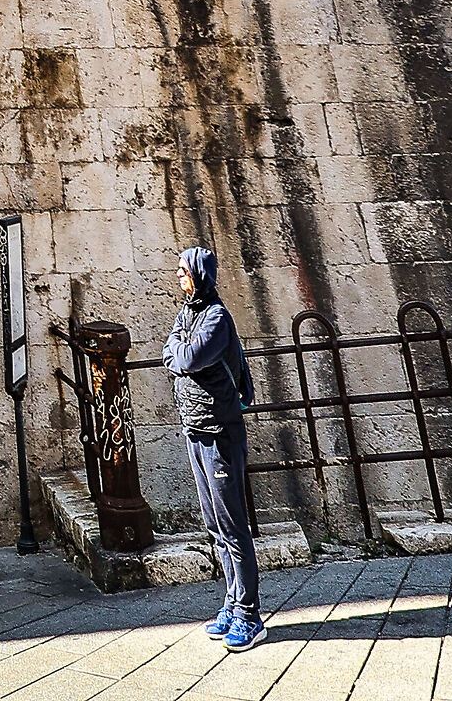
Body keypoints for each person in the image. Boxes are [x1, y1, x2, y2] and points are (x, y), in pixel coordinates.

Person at [162, 245, 263, 652]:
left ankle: (249, 615)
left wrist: (179, 354)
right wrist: (179, 353)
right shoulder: (188, 313)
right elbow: (169, 351)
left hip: (220, 431)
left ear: (199, 274)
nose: (178, 277)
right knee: (215, 527)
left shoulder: (216, 318)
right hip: (195, 429)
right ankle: (231, 603)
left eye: (183, 271)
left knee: (233, 526)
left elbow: (188, 358)